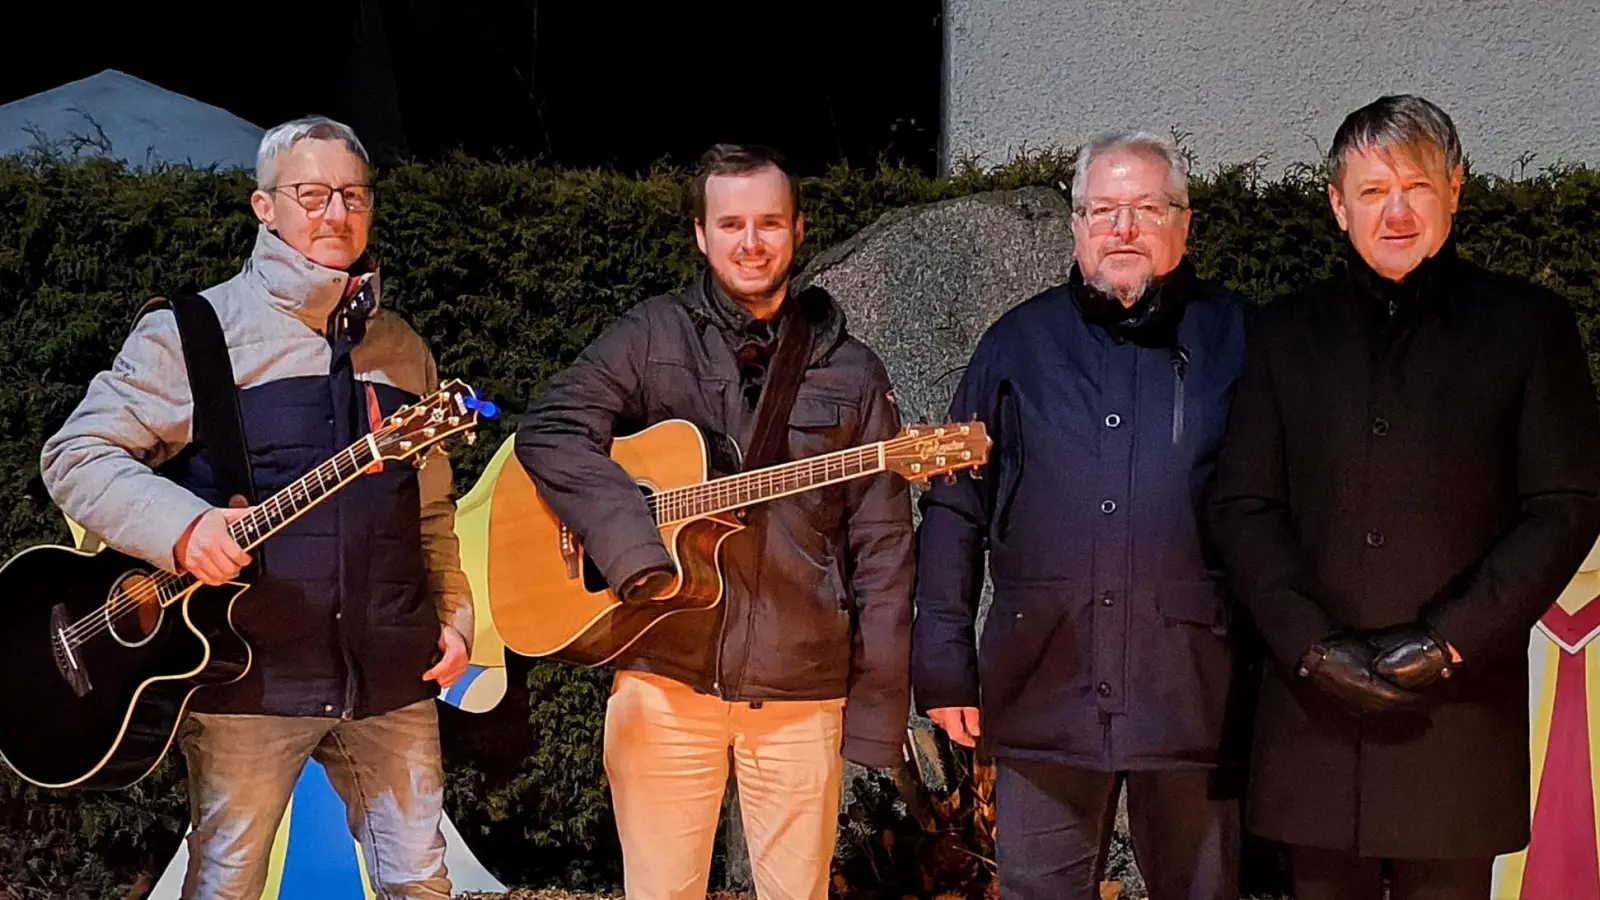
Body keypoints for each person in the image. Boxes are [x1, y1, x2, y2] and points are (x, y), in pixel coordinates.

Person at [40, 116, 471, 900]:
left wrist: (457, 610)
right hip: (248, 678)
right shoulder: (195, 334)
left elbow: (430, 509)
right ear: (264, 207)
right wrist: (182, 529)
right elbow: (76, 457)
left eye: (352, 195)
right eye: (311, 194)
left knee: (422, 882)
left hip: (389, 670)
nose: (335, 213)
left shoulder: (404, 350)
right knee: (227, 884)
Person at [1208, 93, 1600, 900]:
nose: (1396, 212)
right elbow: (1243, 506)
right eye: (1373, 190)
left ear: (1455, 188)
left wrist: (1452, 638)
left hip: (1456, 724)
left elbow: (1565, 503)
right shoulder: (1285, 333)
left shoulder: (1529, 327)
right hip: (1312, 723)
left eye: (1416, 187)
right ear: (1336, 205)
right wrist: (1311, 648)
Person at [515, 143, 914, 900]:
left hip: (801, 690)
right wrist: (631, 542)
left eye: (769, 222)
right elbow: (550, 430)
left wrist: (876, 713)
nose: (751, 241)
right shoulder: (653, 335)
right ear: (702, 235)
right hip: (664, 680)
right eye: (731, 223)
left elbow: (886, 549)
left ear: (798, 230)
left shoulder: (852, 371)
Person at [912, 130, 1249, 900]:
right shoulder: (1016, 345)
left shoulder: (1240, 339)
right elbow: (956, 508)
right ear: (1076, 226)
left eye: (1145, 209)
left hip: (1194, 690)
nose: (1122, 229)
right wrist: (942, 662)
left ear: (1184, 223)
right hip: (1045, 681)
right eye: (1102, 211)